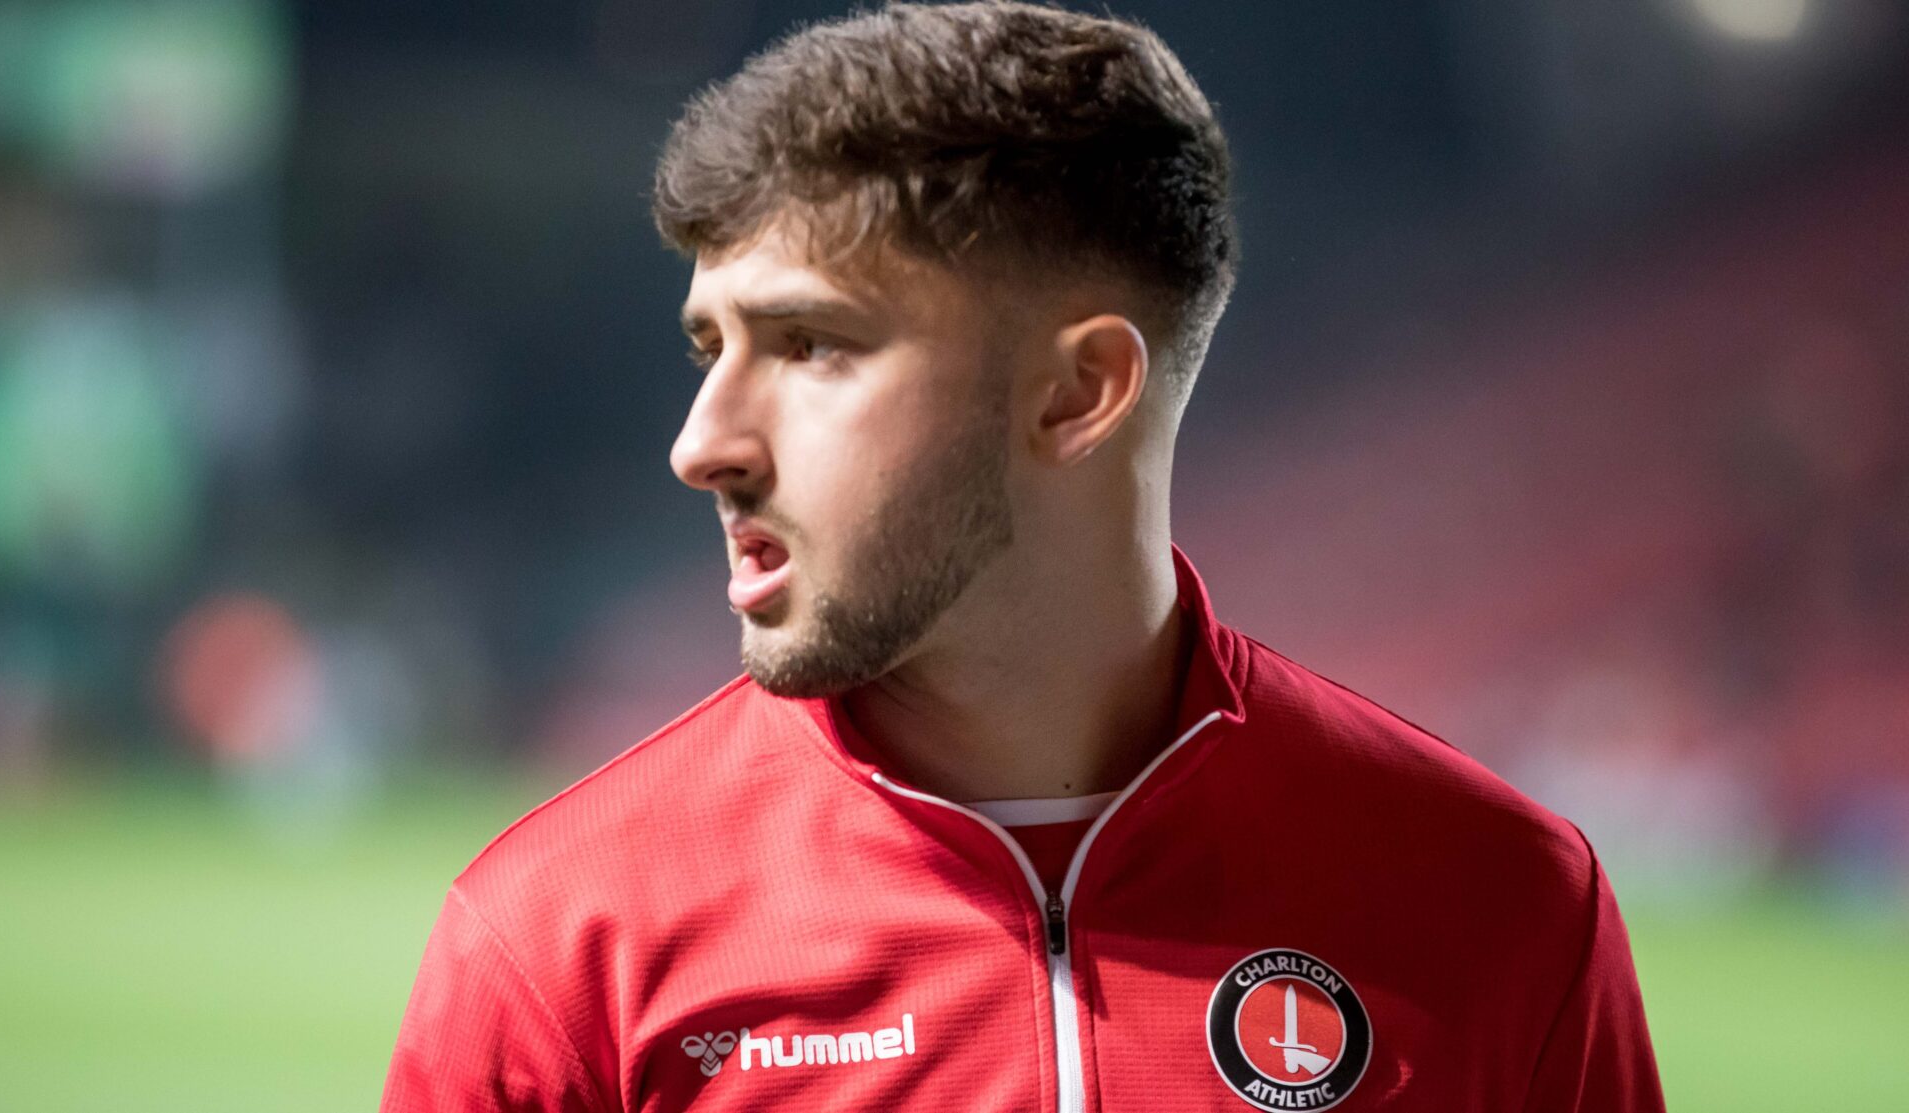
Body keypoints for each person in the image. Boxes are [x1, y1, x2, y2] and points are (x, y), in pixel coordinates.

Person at [380, 3, 1666, 1110]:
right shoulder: (563, 940)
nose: (701, 445)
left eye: (810, 346)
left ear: (1077, 392)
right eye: (710, 349)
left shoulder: (1499, 902)